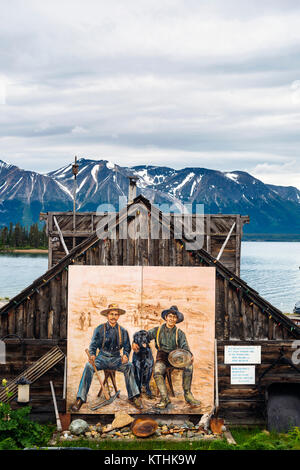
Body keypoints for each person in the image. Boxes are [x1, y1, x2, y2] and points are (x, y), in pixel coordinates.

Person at [71, 303, 143, 411]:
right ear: (107, 315)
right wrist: (92, 355)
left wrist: (125, 355)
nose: (113, 317)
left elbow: (127, 347)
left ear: (118, 316)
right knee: (88, 366)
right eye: (111, 314)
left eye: (116, 314)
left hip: (116, 359)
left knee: (129, 366)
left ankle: (134, 397)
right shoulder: (99, 329)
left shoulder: (123, 331)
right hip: (102, 358)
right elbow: (93, 345)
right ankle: (80, 398)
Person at [132, 305, 200, 409]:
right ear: (166, 317)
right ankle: (165, 398)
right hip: (162, 357)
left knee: (189, 366)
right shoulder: (157, 330)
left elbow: (185, 347)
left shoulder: (180, 333)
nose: (172, 319)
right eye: (170, 316)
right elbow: (144, 335)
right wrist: (134, 342)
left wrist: (189, 355)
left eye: (174, 317)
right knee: (157, 371)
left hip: (176, 358)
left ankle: (188, 394)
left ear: (176, 320)